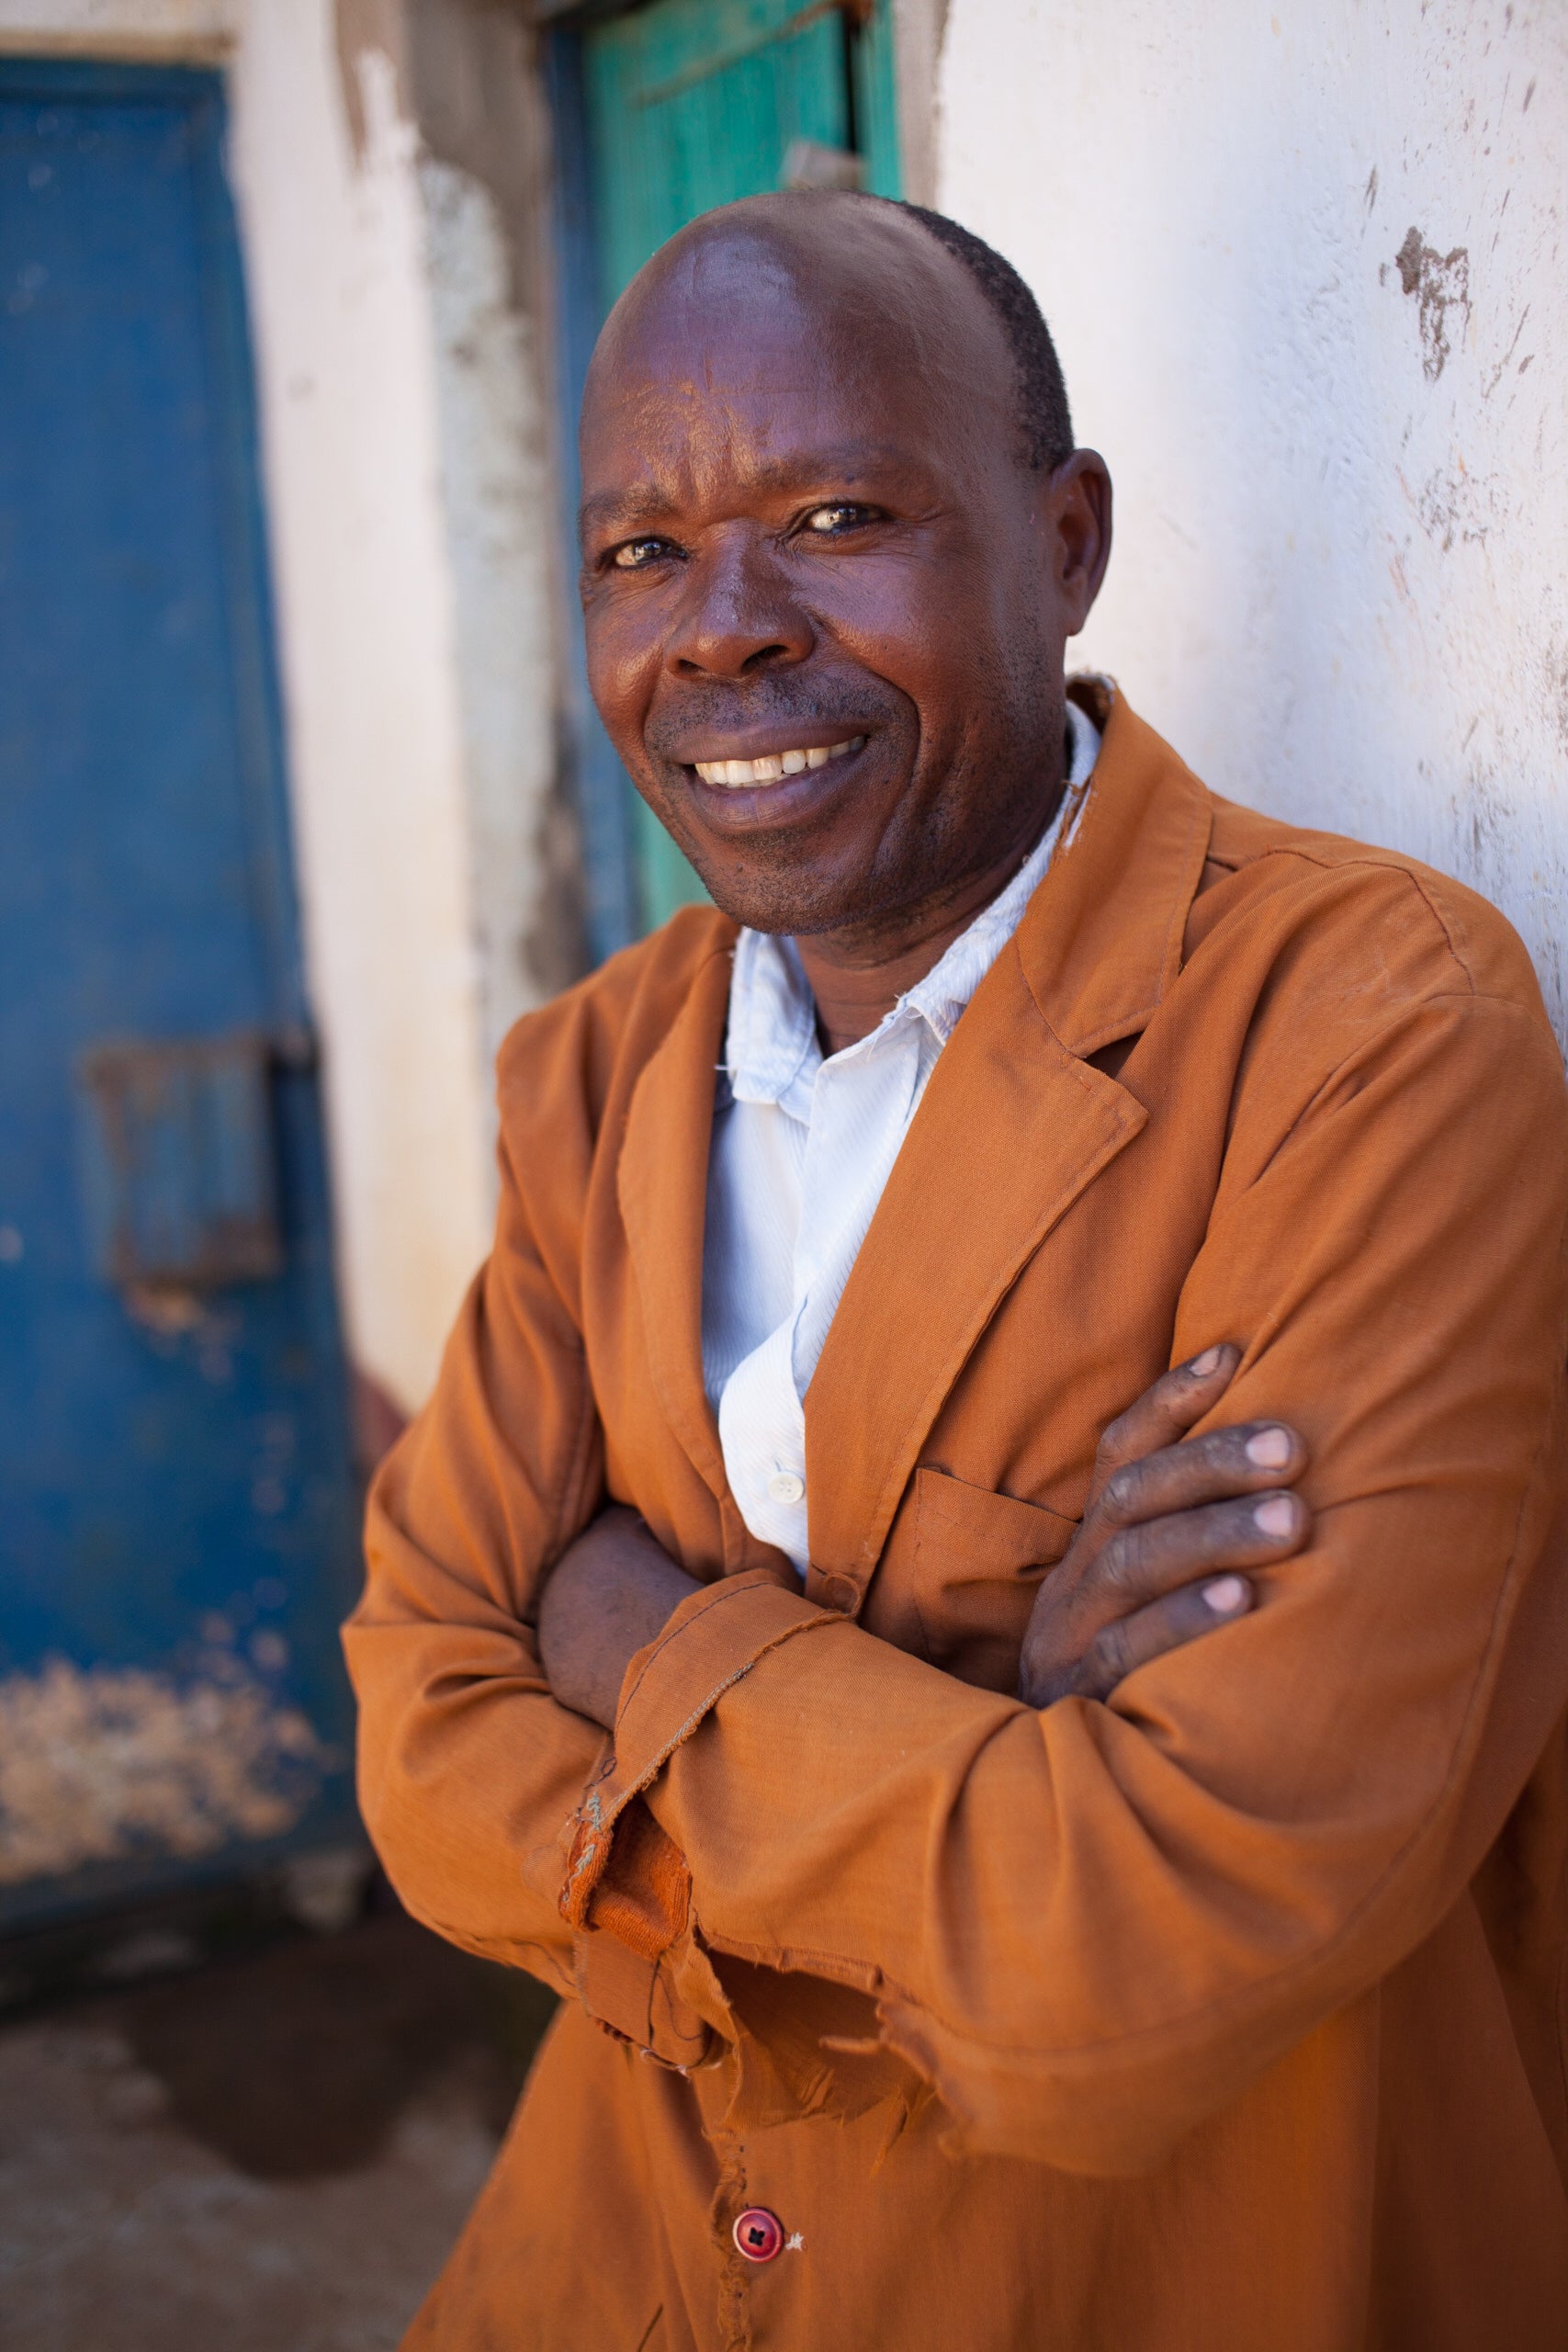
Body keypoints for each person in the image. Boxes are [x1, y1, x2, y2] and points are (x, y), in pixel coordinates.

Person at [346, 193, 1568, 2350]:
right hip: (631, 2258)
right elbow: (425, 1742)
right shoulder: (595, 1071)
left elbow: (1152, 1951)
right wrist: (991, 1721)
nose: (716, 628)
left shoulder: (1367, 1033)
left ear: (1064, 538)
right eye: (638, 550)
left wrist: (640, 1638)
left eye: (830, 514)